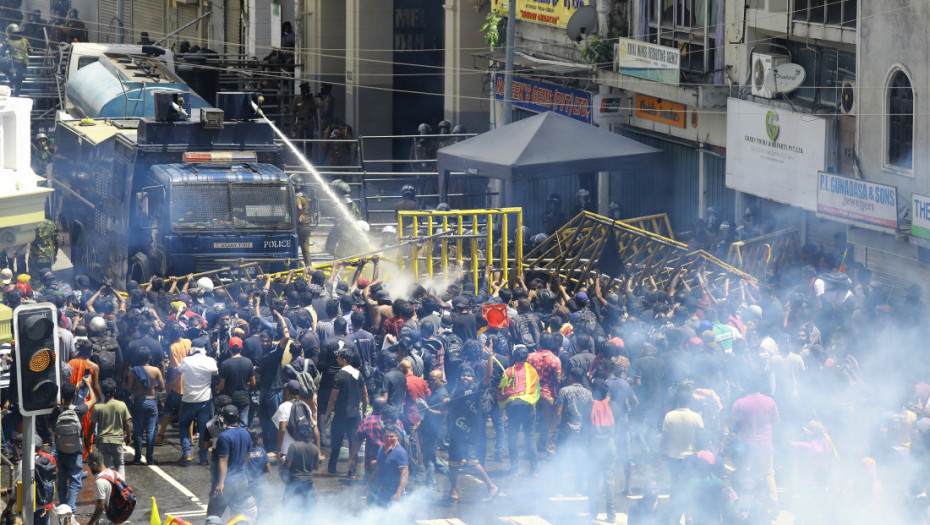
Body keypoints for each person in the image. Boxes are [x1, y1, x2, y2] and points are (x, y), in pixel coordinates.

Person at [53, 378, 97, 513]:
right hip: (75, 450)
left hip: (60, 450)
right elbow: (93, 400)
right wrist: (89, 384)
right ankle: (71, 507)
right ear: (75, 395)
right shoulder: (79, 410)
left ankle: (63, 505)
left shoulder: (57, 411)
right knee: (75, 480)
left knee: (62, 480)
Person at [323, 347, 367, 475]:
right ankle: (352, 473)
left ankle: (331, 469)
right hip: (354, 415)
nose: (337, 359)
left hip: (341, 415)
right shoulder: (359, 374)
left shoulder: (339, 376)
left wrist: (326, 414)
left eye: (338, 358)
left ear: (343, 360)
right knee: (354, 444)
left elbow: (332, 398)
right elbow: (365, 394)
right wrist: (364, 411)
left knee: (336, 444)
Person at [497, 344, 539, 474]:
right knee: (530, 436)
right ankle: (534, 469)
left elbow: (501, 390)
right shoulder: (533, 371)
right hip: (528, 406)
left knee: (513, 436)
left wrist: (502, 406)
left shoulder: (509, 371)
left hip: (513, 405)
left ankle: (514, 468)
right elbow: (536, 390)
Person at [175, 337, 219, 464]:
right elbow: (215, 373)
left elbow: (178, 370)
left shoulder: (186, 360)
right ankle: (203, 457)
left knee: (183, 425)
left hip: (188, 399)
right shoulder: (210, 361)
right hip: (205, 399)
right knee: (203, 429)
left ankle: (187, 452)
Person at [208, 405, 253, 520]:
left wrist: (220, 483)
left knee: (213, 515)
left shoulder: (224, 436)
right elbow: (247, 456)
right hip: (242, 480)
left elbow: (223, 460)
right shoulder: (246, 433)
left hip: (228, 482)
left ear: (224, 419)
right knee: (237, 515)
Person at [126, 348, 164, 465]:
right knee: (151, 431)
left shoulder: (134, 371)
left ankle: (137, 457)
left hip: (139, 401)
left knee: (137, 431)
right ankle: (150, 458)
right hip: (152, 401)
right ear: (150, 358)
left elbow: (129, 388)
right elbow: (162, 387)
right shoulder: (156, 370)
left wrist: (137, 389)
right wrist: (153, 387)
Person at [90, 378, 132, 479]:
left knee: (106, 467)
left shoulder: (98, 407)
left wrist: (88, 438)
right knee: (120, 465)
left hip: (103, 441)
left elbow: (92, 425)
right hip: (117, 440)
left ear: (103, 391)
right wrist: (128, 437)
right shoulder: (121, 405)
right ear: (115, 390)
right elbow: (127, 423)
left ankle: (108, 488)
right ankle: (122, 488)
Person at [364, 424, 408, 505]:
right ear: (382, 437)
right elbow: (378, 468)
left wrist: (398, 493)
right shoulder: (382, 449)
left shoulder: (400, 452)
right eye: (386, 436)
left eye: (391, 436)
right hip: (382, 492)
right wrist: (368, 484)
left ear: (396, 436)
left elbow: (404, 474)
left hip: (394, 493)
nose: (389, 439)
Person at [216, 337, 255, 427]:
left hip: (230, 399)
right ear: (241, 349)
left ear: (229, 349)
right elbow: (253, 382)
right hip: (244, 398)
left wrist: (216, 388)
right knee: (243, 424)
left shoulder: (225, 364)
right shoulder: (248, 362)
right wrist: (245, 384)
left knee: (229, 423)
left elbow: (221, 385)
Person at [85, 451, 121, 525]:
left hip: (104, 521)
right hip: (116, 518)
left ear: (94, 464)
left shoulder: (100, 482)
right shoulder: (116, 474)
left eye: (89, 465)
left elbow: (101, 506)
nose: (89, 468)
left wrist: (90, 523)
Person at [1, 24, 30, 96]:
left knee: (2, 65)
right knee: (20, 76)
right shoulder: (25, 40)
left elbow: (2, 52)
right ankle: (17, 91)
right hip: (23, 62)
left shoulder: (7, 40)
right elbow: (31, 51)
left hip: (13, 62)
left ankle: (11, 78)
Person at [292, 82, 317, 157]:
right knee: (299, 141)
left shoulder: (311, 99)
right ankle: (300, 157)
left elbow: (314, 112)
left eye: (306, 89)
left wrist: (317, 124)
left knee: (309, 141)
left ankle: (309, 157)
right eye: (303, 89)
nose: (305, 91)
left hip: (309, 121)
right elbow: (294, 112)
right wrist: (293, 124)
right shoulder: (297, 99)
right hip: (300, 121)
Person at [294, 189, 313, 265]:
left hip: (300, 226)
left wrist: (299, 215)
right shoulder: (305, 196)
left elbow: (299, 207)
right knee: (305, 248)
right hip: (307, 225)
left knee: (292, 246)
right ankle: (309, 266)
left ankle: (297, 264)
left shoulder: (298, 197)